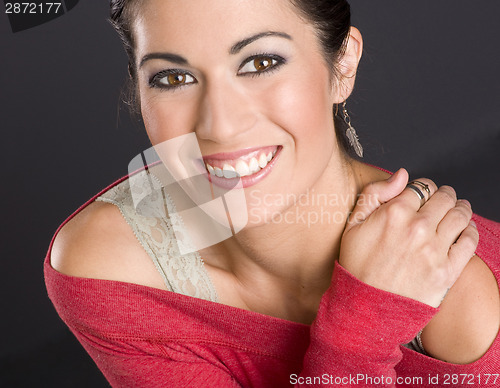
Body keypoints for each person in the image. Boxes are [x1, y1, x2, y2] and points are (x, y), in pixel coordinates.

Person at [44, 0, 500, 386]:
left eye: (260, 63)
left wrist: (365, 326)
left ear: (342, 65)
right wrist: (362, 328)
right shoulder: (112, 269)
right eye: (173, 78)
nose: (219, 125)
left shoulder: (460, 296)